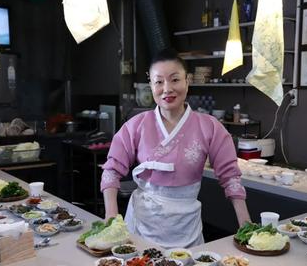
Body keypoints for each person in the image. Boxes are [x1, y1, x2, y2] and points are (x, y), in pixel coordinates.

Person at [100, 48, 251, 248]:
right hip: (142, 225)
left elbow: (230, 176)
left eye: (174, 79)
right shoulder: (136, 125)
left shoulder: (211, 127)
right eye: (159, 81)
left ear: (187, 81)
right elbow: (111, 169)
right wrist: (111, 215)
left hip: (187, 226)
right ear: (151, 85)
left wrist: (246, 224)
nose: (167, 88)